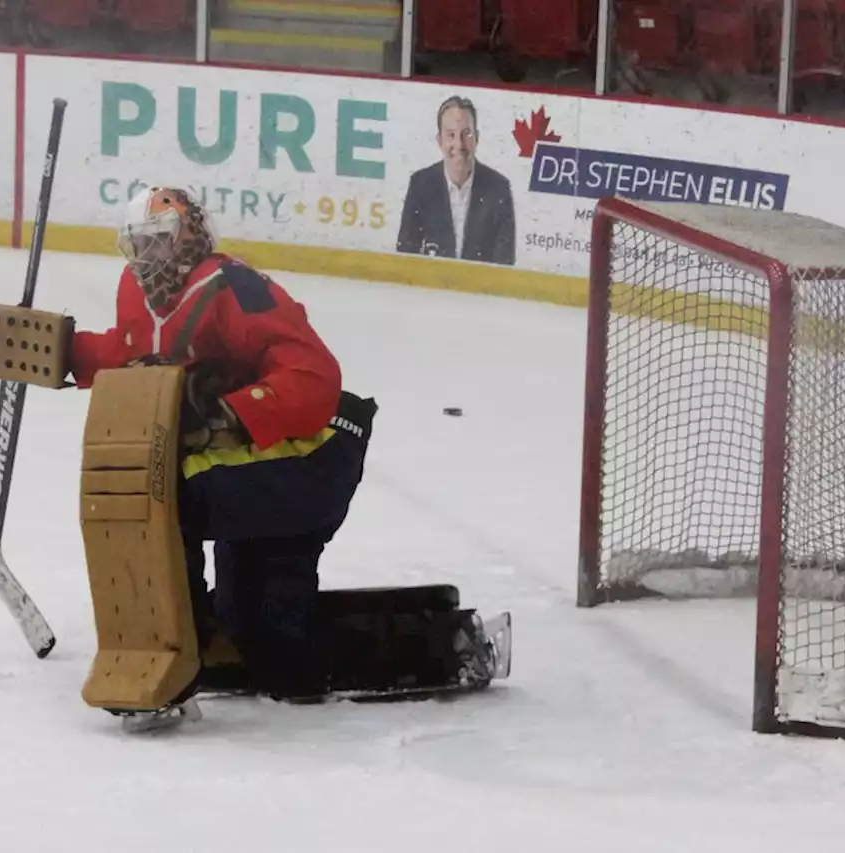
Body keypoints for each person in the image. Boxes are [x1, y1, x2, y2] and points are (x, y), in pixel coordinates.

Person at [66, 185, 377, 703]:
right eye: (139, 245)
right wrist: (64, 352)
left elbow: (314, 376)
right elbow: (130, 350)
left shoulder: (234, 286)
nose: (149, 258)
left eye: (160, 240)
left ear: (192, 232)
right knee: (244, 619)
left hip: (309, 458)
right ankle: (195, 635)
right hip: (248, 462)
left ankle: (389, 648)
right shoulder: (138, 293)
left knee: (279, 647)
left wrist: (231, 410)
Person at [395, 95, 516, 266]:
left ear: (477, 138)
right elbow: (406, 253)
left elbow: (504, 261)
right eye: (451, 135)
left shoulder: (498, 189)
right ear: (440, 140)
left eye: (466, 134)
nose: (459, 144)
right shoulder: (420, 185)